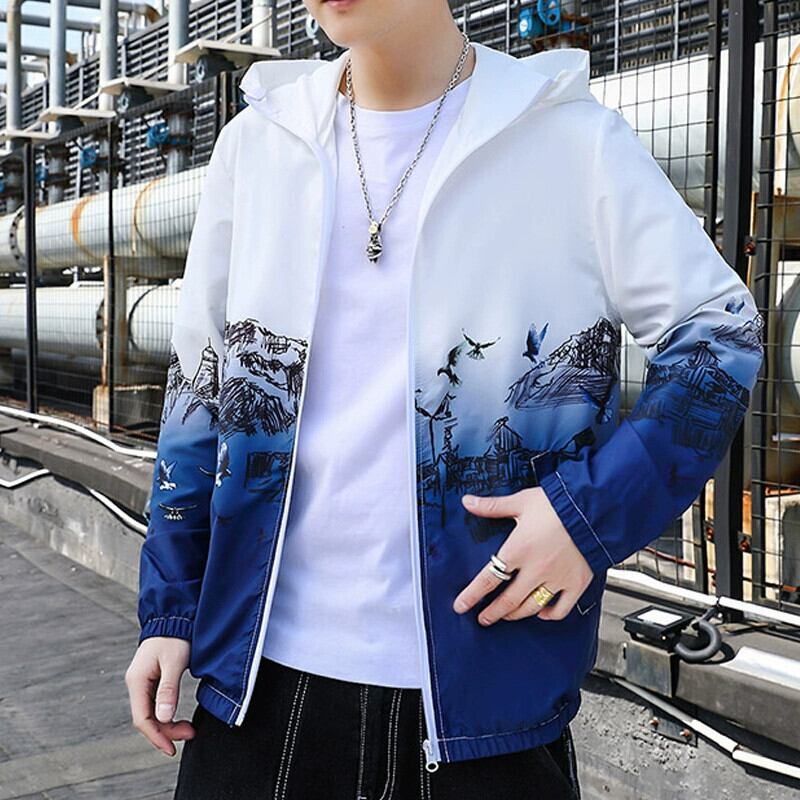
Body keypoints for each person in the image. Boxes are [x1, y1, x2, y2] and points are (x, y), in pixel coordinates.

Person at [125, 0, 765, 797]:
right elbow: (200, 385)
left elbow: (721, 334)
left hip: (487, 705)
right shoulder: (259, 145)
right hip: (254, 695)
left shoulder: (566, 139)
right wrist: (170, 610)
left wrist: (587, 515)